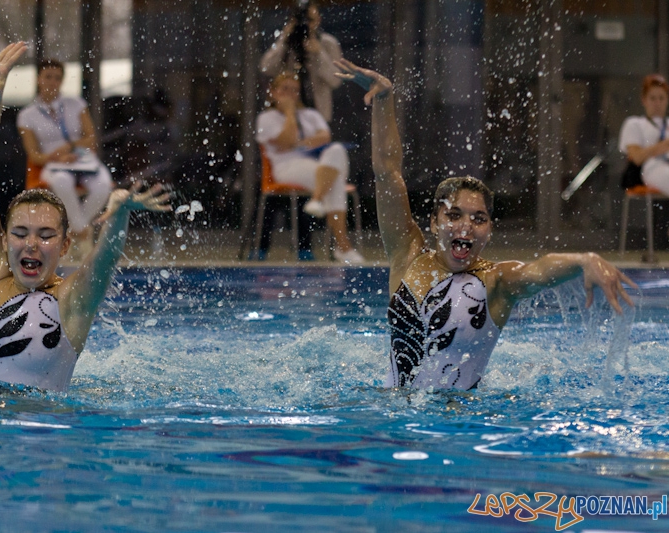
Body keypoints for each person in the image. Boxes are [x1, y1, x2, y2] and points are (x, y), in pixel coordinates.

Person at [335, 58, 637, 390]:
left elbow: (539, 270)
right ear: (434, 223)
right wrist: (383, 100)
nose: (465, 226)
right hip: (393, 409)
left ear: (489, 230)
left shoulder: (496, 283)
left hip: (463, 421)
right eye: (454, 215)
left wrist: (584, 261)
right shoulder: (407, 255)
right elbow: (387, 173)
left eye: (478, 219)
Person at [0, 43, 171, 392]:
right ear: (4, 239)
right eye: (20, 232)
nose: (31, 244)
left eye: (45, 234)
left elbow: (104, 261)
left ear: (65, 244)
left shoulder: (71, 300)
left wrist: (117, 215)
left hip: (38, 433)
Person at [255, 72, 363, 264]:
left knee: (336, 150)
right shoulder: (266, 118)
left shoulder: (310, 114)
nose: (290, 94)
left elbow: (325, 138)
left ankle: (317, 199)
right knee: (335, 179)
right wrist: (289, 113)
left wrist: (296, 143)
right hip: (285, 168)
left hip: (317, 166)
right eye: (285, 89)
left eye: (294, 90)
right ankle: (343, 247)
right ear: (273, 92)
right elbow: (285, 140)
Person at [17, 58, 113, 249]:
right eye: (48, 77)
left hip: (82, 160)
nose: (52, 82)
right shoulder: (27, 115)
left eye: (57, 78)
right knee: (61, 182)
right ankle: (82, 230)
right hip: (52, 164)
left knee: (103, 184)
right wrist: (56, 157)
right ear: (38, 79)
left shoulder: (76, 104)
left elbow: (91, 138)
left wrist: (69, 149)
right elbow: (34, 154)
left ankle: (73, 231)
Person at [260, 0, 342, 122]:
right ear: (292, 21)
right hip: (286, 116)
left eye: (310, 20)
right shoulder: (287, 41)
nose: (306, 25)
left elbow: (336, 80)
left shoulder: (327, 44)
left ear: (318, 20)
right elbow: (266, 68)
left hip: (318, 117)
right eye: (301, 20)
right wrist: (284, 42)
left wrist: (319, 53)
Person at [619, 74, 669, 200]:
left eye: (661, 98)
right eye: (652, 98)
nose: (657, 103)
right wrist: (662, 147)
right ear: (644, 100)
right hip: (651, 168)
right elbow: (636, 157)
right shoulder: (635, 124)